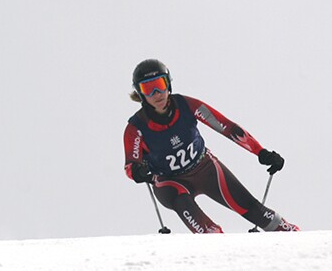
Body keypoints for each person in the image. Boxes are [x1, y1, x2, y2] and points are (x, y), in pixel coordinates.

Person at [123, 59, 299, 233]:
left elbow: (227, 128)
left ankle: (295, 242)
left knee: (256, 212)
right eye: (148, 88)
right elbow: (131, 165)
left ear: (168, 83)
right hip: (170, 183)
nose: (156, 94)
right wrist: (138, 172)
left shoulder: (187, 105)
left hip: (205, 168)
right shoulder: (136, 127)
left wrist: (261, 152)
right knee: (209, 233)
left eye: (159, 84)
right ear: (140, 93)